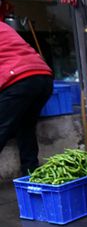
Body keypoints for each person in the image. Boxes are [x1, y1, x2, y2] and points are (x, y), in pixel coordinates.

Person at [0, 20, 53, 176]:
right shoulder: (4, 26)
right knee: (25, 127)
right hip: (43, 77)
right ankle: (30, 175)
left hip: (18, 79)